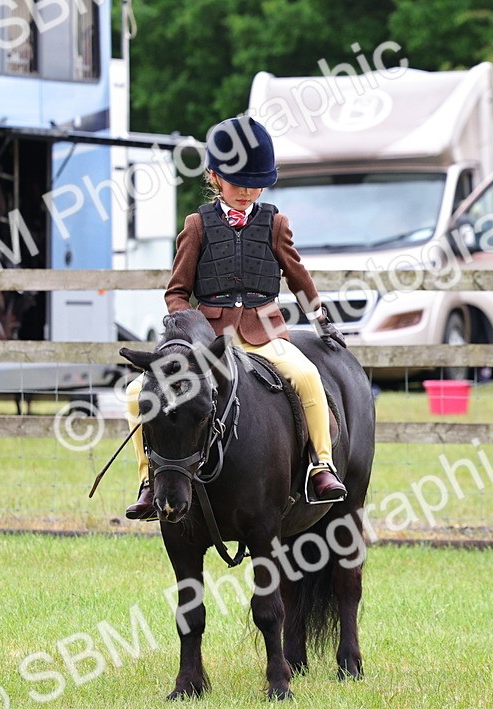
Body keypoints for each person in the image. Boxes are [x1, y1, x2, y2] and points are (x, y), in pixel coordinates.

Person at [124, 117, 347, 520]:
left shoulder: (276, 224)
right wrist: (187, 332)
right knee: (133, 392)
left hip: (266, 333)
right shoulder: (197, 226)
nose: (246, 191)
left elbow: (299, 277)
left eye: (255, 183)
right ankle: (147, 480)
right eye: (237, 182)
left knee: (308, 377)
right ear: (214, 177)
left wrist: (321, 320)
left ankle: (321, 466)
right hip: (208, 344)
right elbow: (177, 291)